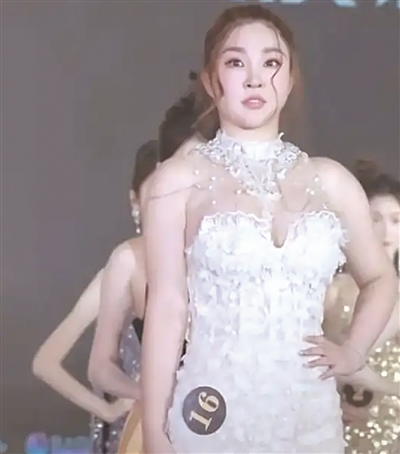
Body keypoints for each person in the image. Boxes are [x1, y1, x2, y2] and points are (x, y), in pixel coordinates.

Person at [140, 4, 397, 453]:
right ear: (211, 79)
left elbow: (381, 278)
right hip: (212, 414)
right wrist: (153, 428)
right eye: (236, 62)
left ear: (291, 78)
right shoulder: (177, 182)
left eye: (271, 62)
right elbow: (166, 307)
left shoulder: (331, 181)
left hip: (310, 418)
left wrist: (353, 351)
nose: (255, 79)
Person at [88, 85, 204, 454]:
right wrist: (151, 393)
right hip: (160, 426)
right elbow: (100, 366)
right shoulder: (131, 259)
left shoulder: (238, 253)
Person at [32, 139, 159, 454]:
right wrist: (106, 409)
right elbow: (45, 362)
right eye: (156, 195)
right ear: (135, 201)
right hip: (137, 433)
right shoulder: (120, 272)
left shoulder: (207, 269)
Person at [324, 160, 399, 453]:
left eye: (396, 220)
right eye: (375, 218)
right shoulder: (332, 290)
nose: (386, 230)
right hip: (336, 423)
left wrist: (383, 387)